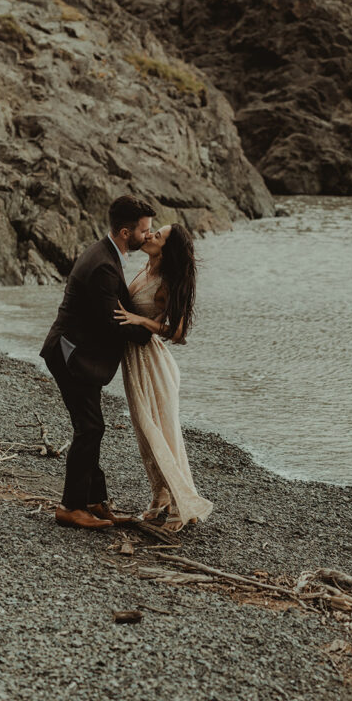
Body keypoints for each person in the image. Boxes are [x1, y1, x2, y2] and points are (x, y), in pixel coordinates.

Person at [40, 195, 155, 529]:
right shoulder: (104, 264)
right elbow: (113, 321)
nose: (147, 236)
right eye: (144, 231)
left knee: (92, 427)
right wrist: (151, 331)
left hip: (73, 351)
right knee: (89, 427)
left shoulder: (107, 253)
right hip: (68, 354)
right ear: (124, 232)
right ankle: (70, 507)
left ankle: (93, 500)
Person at [115, 223, 213, 532]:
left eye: (159, 236)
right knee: (144, 433)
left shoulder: (168, 281)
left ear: (167, 249)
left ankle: (182, 505)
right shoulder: (145, 267)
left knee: (162, 432)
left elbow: (180, 333)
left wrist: (140, 319)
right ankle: (159, 497)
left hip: (154, 364)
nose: (151, 235)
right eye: (154, 230)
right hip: (133, 360)